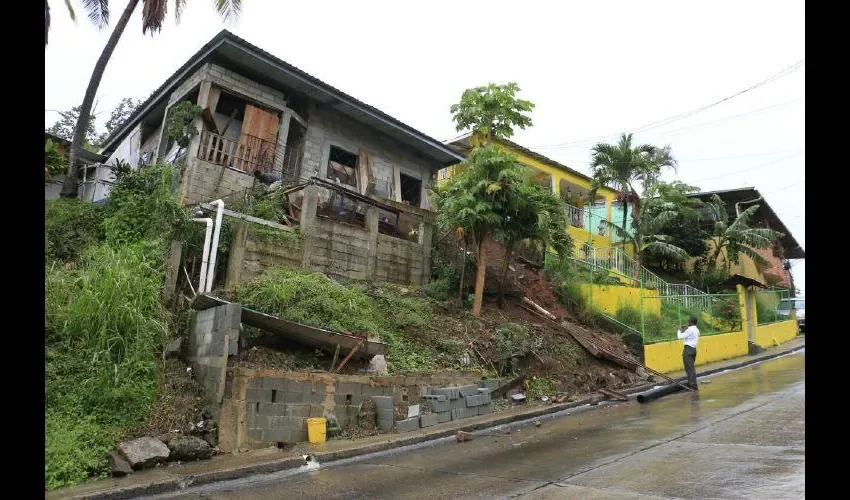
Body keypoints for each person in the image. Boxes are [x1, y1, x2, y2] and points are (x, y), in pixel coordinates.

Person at [677, 316, 700, 390]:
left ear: (691, 322)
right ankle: (691, 384)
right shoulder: (696, 329)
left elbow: (680, 337)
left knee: (689, 369)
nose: (687, 322)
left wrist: (679, 330)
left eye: (688, 321)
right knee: (691, 368)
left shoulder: (690, 330)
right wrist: (686, 328)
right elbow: (691, 335)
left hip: (688, 350)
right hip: (693, 350)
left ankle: (693, 386)